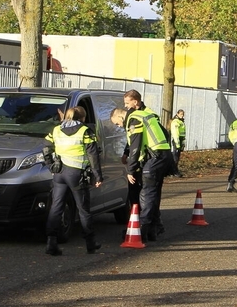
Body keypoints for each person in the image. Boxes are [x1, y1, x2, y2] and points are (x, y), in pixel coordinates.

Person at [112, 90, 174, 241]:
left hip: (155, 157)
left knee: (147, 194)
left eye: (117, 123)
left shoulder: (135, 118)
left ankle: (143, 229)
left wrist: (130, 169)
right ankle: (153, 228)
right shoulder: (142, 115)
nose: (119, 126)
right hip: (158, 156)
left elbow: (136, 145)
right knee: (150, 193)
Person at [41, 106, 104, 256]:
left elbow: (46, 148)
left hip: (59, 173)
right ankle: (90, 243)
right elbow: (93, 156)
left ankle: (51, 243)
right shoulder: (85, 131)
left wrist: (51, 165)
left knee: (56, 207)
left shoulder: (55, 130)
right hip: (76, 173)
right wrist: (98, 176)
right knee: (83, 209)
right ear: (82, 118)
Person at [170, 109, 186, 178]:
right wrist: (177, 143)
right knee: (175, 157)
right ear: (177, 114)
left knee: (177, 157)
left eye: (183, 114)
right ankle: (174, 172)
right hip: (177, 141)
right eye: (181, 114)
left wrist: (182, 143)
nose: (182, 116)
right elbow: (175, 133)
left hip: (180, 140)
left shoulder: (181, 121)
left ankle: (175, 171)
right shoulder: (176, 122)